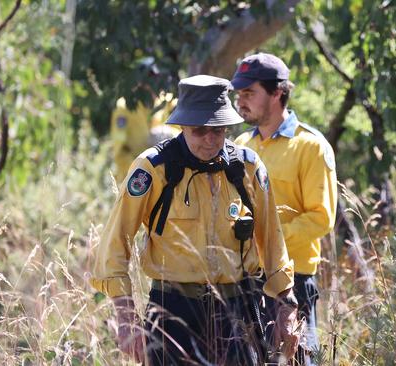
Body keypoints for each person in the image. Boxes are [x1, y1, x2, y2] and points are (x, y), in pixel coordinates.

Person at [90, 75, 300, 365]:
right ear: (183, 125)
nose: (210, 139)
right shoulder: (153, 169)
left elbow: (273, 243)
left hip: (237, 311)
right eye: (200, 130)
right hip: (172, 311)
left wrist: (286, 305)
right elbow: (115, 243)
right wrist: (126, 318)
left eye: (218, 129)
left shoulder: (248, 168)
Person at [232, 53, 338, 365]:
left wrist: (268, 241)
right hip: (246, 281)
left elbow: (322, 218)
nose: (241, 101)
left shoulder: (311, 146)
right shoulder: (240, 145)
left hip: (293, 282)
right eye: (239, 94)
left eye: (249, 93)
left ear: (278, 92)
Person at [110, 93, 179, 182]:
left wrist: (169, 134)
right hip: (133, 178)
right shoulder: (123, 107)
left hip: (165, 175)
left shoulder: (167, 100)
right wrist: (142, 168)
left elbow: (185, 133)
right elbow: (119, 151)